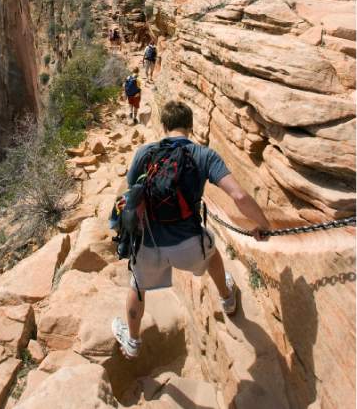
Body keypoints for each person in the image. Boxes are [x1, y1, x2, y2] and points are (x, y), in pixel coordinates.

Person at [112, 100, 270, 359]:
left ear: (164, 126)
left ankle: (132, 342)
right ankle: (227, 298)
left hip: (149, 246)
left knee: (137, 286)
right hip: (189, 246)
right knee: (213, 253)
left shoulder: (145, 153)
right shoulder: (204, 155)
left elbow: (131, 193)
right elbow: (239, 196)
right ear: (190, 127)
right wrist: (262, 225)